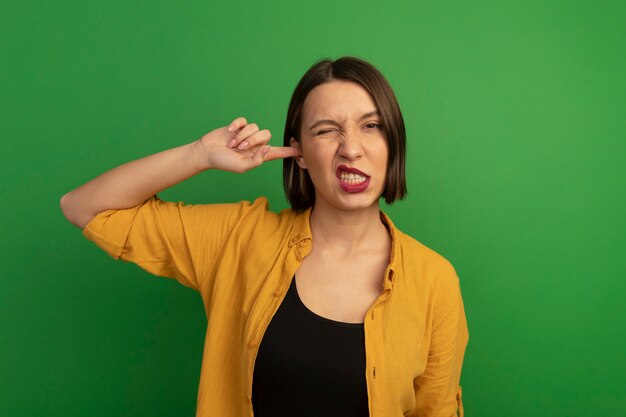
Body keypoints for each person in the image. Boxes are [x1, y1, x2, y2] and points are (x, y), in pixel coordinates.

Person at [60, 56, 469, 417]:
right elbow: (83, 207)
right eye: (326, 131)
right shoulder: (239, 238)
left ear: (393, 141)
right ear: (300, 154)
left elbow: (435, 411)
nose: (351, 149)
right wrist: (199, 154)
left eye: (371, 126)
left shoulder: (435, 280)